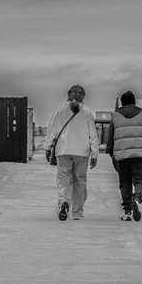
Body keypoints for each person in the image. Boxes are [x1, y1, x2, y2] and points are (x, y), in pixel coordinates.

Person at [44, 84, 99, 221]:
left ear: (69, 94)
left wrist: (47, 147)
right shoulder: (87, 113)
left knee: (63, 179)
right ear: (83, 97)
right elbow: (93, 134)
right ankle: (77, 213)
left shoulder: (60, 111)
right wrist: (95, 154)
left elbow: (51, 131)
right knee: (80, 182)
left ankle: (64, 202)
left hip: (63, 152)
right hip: (82, 153)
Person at [106, 90, 142, 222]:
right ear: (134, 102)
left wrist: (111, 152)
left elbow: (110, 137)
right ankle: (137, 199)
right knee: (140, 180)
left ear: (122, 102)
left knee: (125, 183)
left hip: (121, 155)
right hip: (141, 155)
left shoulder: (115, 117)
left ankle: (127, 213)